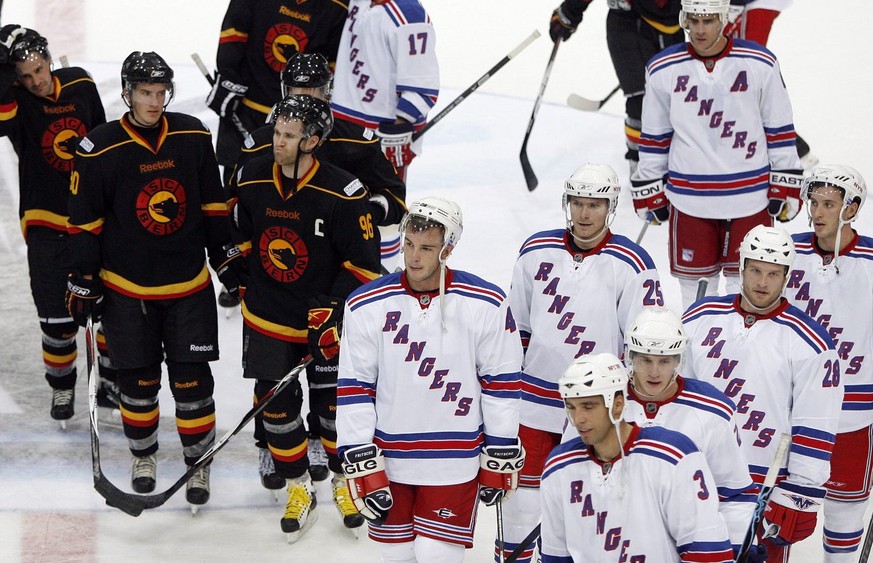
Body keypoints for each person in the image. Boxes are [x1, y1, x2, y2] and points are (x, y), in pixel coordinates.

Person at [66, 51, 244, 510]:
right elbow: (84, 223)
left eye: (161, 92)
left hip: (188, 287)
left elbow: (211, 207)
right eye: (146, 92)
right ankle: (143, 457)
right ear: (127, 93)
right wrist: (83, 279)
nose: (154, 101)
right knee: (138, 384)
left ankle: (197, 460)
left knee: (192, 383)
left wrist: (226, 259)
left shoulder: (191, 134)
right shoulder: (99, 147)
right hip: (128, 291)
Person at [336, 196, 524, 562]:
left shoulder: (485, 301)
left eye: (426, 248)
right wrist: (358, 453)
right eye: (408, 244)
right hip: (388, 461)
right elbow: (355, 385)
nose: (414, 257)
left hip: (456, 461)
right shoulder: (365, 304)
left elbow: (501, 379)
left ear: (449, 249)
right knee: (396, 558)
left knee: (436, 554)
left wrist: (500, 445)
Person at [232, 93, 381, 541]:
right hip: (267, 317)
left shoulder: (344, 191)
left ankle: (341, 480)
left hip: (325, 322)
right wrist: (237, 271)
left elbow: (364, 265)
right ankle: (299, 486)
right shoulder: (253, 177)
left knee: (334, 408)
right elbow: (239, 236)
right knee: (276, 410)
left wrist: (332, 307)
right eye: (276, 133)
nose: (277, 142)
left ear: (313, 141)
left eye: (288, 136)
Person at [499, 163, 663, 562]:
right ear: (567, 203)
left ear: (611, 208)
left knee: (589, 511)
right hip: (535, 403)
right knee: (521, 505)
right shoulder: (535, 250)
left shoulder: (633, 263)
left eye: (595, 204)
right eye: (578, 203)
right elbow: (514, 328)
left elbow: (641, 345)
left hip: (597, 406)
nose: (585, 214)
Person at [682, 224, 843, 560]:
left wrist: (801, 492)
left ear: (787, 277)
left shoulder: (811, 342)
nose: (762, 283)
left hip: (764, 485)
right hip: (695, 471)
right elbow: (674, 395)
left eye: (773, 274)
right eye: (755, 270)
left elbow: (817, 421)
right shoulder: (699, 317)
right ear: (740, 267)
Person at [632, 0, 804, 310]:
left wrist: (786, 183)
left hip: (750, 200)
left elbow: (778, 128)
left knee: (749, 290)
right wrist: (649, 188)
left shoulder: (760, 62)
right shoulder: (662, 68)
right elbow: (655, 137)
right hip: (690, 201)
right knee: (696, 296)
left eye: (708, 20)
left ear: (724, 19)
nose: (699, 29)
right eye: (693, 20)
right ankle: (699, 358)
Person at [0, 25, 107, 427]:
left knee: (107, 310)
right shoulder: (16, 102)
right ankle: (62, 383)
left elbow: (103, 140)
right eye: (25, 76)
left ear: (49, 58)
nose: (36, 81)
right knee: (55, 316)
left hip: (92, 218)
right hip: (44, 221)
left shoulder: (80, 84)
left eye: (39, 69)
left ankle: (111, 380)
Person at [540, 352, 734, 562]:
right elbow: (556, 556)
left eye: (588, 407)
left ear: (617, 404)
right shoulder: (558, 467)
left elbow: (706, 553)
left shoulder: (674, 457)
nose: (578, 419)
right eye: (571, 408)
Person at [785, 165, 872, 561]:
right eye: (814, 202)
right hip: (792, 409)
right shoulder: (786, 250)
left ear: (851, 209)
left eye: (829, 204)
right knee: (780, 509)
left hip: (855, 413)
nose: (817, 213)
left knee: (845, 507)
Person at [620, 307, 758, 557]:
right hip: (613, 541)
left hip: (687, 546)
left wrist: (738, 547)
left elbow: (734, 493)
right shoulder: (602, 401)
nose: (654, 372)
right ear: (630, 356)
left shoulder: (713, 410)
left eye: (664, 361)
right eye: (645, 360)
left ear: (678, 360)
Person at [207, 0, 346, 181]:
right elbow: (234, 31)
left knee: (291, 184)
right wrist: (228, 78)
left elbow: (331, 61)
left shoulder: (337, 7)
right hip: (246, 107)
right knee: (237, 180)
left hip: (300, 119)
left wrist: (315, 105)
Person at [548, 0, 684, 175]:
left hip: (674, 21)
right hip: (629, 23)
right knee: (642, 100)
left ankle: (673, 159)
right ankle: (642, 168)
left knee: (675, 96)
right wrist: (570, 11)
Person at [331, 0, 439, 184]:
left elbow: (422, 88)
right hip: (339, 127)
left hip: (377, 136)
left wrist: (397, 131)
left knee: (382, 207)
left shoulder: (410, 15)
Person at [725, 0, 817, 169]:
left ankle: (793, 153)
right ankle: (794, 152)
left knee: (745, 70)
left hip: (756, 4)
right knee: (738, 71)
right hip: (750, 5)